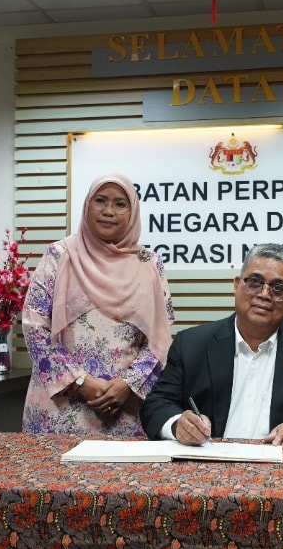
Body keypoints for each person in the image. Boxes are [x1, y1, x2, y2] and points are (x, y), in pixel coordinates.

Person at [141, 243, 283, 448]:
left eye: (278, 288)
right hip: (208, 460)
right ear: (236, 285)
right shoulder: (191, 344)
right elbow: (157, 404)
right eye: (255, 282)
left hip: (282, 463)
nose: (264, 294)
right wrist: (178, 425)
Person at [22, 173, 174, 436]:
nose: (108, 211)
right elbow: (34, 328)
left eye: (120, 204)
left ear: (132, 212)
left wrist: (128, 384)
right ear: (87, 205)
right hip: (61, 409)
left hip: (123, 408)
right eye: (100, 200)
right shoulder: (60, 255)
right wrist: (79, 381)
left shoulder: (149, 263)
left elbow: (160, 339)